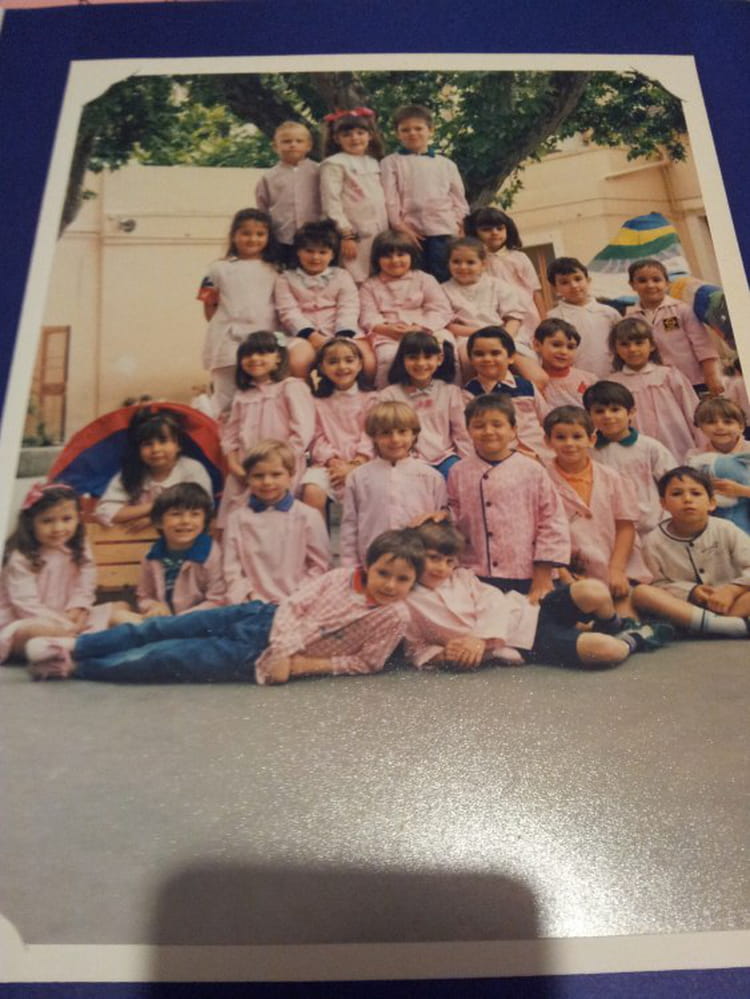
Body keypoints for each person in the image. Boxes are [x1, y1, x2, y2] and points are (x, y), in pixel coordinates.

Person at [25, 529, 425, 685]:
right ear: (368, 567)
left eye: (402, 579)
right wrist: (286, 647)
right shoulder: (341, 577)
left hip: (256, 656)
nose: (390, 585)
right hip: (259, 617)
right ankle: (77, 645)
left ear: (413, 582)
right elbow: (296, 604)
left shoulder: (394, 616)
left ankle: (76, 668)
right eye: (384, 573)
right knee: (163, 628)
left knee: (167, 658)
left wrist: (299, 665)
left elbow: (366, 662)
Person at [404, 520, 669, 671]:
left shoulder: (462, 578)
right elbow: (415, 647)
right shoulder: (406, 600)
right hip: (526, 641)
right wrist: (443, 655)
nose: (442, 568)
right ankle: (637, 637)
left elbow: (494, 602)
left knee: (593, 591)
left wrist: (478, 639)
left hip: (529, 610)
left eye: (449, 561)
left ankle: (618, 625)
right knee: (608, 651)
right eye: (434, 559)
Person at [447, 394, 569, 601]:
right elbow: (454, 518)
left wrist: (542, 573)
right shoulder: (458, 471)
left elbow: (552, 521)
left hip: (526, 571)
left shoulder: (532, 470)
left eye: (497, 424)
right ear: (468, 430)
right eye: (479, 425)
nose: (488, 431)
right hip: (477, 573)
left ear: (513, 430)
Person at [0, 484, 137, 663]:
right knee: (35, 631)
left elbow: (86, 580)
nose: (58, 528)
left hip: (69, 615)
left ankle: (72, 645)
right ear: (30, 522)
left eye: (66, 519)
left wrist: (79, 607)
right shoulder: (21, 556)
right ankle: (87, 645)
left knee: (121, 608)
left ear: (77, 519)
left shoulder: (77, 545)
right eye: (47, 521)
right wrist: (65, 625)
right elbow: (26, 605)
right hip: (28, 620)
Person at [543, 406, 650, 611]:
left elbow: (625, 526)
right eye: (560, 437)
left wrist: (617, 570)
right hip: (571, 572)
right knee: (595, 615)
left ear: (591, 439)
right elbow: (542, 535)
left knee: (628, 612)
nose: (570, 444)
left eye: (577, 436)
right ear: (548, 441)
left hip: (615, 566)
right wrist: (564, 575)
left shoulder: (612, 478)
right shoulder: (541, 479)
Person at [632, 467, 750, 637]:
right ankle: (728, 626)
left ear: (711, 503)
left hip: (732, 602)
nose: (687, 499)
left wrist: (731, 590)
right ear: (663, 504)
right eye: (677, 493)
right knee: (642, 593)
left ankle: (714, 626)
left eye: (696, 493)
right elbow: (658, 584)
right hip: (686, 608)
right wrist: (691, 592)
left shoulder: (726, 529)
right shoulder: (653, 541)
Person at [217, 331, 314, 527]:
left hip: (281, 468)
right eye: (248, 354)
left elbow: (302, 432)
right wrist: (235, 466)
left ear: (278, 357)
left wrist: (277, 465)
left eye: (262, 353)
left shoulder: (291, 387)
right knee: (234, 521)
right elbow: (231, 436)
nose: (254, 359)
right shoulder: (243, 395)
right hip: (244, 471)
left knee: (275, 520)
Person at [340, 401, 447, 567]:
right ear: (373, 436)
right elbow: (350, 524)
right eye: (386, 433)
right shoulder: (358, 477)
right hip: (373, 561)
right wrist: (350, 565)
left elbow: (441, 520)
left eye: (402, 432)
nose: (395, 439)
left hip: (419, 561)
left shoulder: (431, 476)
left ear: (414, 434)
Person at [223, 440, 330, 605]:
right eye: (258, 476)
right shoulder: (237, 519)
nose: (267, 482)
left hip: (297, 602)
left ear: (291, 475)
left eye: (276, 474)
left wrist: (297, 598)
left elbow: (319, 566)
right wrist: (248, 598)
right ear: (248, 477)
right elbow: (232, 569)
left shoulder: (308, 516)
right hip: (250, 605)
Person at [197, 208, 281, 416]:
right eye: (246, 233)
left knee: (261, 397)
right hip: (228, 342)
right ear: (234, 236)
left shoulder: (276, 269)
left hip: (265, 341)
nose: (253, 239)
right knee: (226, 399)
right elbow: (209, 305)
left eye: (260, 234)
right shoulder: (218, 269)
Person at [273, 219, 376, 379]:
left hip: (341, 332)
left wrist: (342, 337)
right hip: (302, 336)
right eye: (309, 251)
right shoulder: (285, 279)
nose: (315, 257)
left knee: (368, 363)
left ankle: (358, 398)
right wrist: (311, 335)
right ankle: (306, 399)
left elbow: (348, 307)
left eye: (322, 252)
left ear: (332, 254)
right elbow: (288, 312)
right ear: (298, 251)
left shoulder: (342, 276)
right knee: (298, 362)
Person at [441, 236, 545, 388]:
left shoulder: (497, 286)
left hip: (503, 336)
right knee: (468, 364)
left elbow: (514, 318)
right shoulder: (443, 290)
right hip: (468, 338)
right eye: (456, 262)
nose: (463, 267)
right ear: (448, 263)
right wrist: (481, 333)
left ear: (483, 264)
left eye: (470, 262)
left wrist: (504, 338)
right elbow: (449, 325)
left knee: (538, 378)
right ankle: (478, 399)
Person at [380, 104, 468, 283]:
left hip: (443, 230)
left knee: (445, 278)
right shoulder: (391, 163)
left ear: (431, 130)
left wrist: (458, 224)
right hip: (410, 233)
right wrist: (400, 226)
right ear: (397, 134)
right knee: (417, 280)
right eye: (405, 130)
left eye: (418, 128)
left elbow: (458, 198)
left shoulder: (446, 164)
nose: (412, 133)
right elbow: (390, 199)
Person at [359, 229, 454, 388]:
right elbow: (368, 315)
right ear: (377, 259)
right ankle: (387, 398)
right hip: (389, 334)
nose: (395, 260)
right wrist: (386, 328)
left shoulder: (424, 279)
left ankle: (447, 392)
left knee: (446, 348)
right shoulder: (370, 285)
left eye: (401, 254)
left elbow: (440, 308)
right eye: (387, 256)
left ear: (411, 255)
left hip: (426, 330)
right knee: (388, 357)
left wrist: (421, 327)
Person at [582, 380, 677, 537]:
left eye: (615, 410)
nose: (608, 416)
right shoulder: (588, 451)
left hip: (653, 528)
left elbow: (672, 483)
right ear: (588, 415)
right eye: (599, 411)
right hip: (609, 529)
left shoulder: (650, 447)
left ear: (631, 412)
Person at [96, 407, 213, 531]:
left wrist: (154, 519)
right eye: (147, 444)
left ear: (178, 444)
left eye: (163, 441)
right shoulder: (130, 473)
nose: (156, 449)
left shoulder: (191, 469)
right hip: (134, 543)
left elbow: (202, 508)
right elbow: (106, 512)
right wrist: (154, 506)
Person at [378, 331, 472, 478]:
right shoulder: (389, 395)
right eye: (413, 357)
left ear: (439, 359)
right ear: (403, 360)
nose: (421, 363)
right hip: (407, 459)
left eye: (428, 357)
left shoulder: (450, 392)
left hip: (445, 457)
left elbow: (461, 433)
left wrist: (468, 463)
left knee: (458, 479)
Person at [607, 316, 701, 461]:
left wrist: (703, 447)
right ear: (615, 348)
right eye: (624, 344)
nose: (632, 349)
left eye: (639, 343)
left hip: (675, 444)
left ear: (652, 345)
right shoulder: (612, 383)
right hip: (635, 449)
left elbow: (693, 413)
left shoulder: (669, 375)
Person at [626, 258, 722, 395]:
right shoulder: (630, 318)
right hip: (657, 384)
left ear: (667, 283)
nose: (650, 285)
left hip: (693, 380)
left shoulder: (682, 310)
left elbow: (703, 345)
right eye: (642, 280)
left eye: (656, 279)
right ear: (632, 285)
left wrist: (712, 376)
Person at [301, 337, 374, 516]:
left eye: (349, 360)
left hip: (365, 462)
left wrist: (357, 463)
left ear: (360, 364)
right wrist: (333, 462)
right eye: (333, 362)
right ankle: (317, 542)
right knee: (312, 489)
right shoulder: (317, 402)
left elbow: (373, 433)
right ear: (322, 368)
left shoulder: (372, 399)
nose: (342, 367)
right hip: (329, 464)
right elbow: (317, 437)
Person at [319, 108, 388, 286]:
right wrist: (345, 235)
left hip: (379, 231)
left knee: (378, 276)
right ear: (337, 138)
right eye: (347, 134)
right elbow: (331, 202)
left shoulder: (374, 162)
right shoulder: (334, 163)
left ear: (370, 135)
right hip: (354, 233)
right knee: (356, 277)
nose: (355, 138)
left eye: (360, 133)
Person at [136, 483, 226, 618]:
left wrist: (180, 619)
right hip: (163, 621)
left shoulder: (211, 554)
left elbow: (217, 600)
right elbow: (144, 596)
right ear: (159, 521)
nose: (185, 521)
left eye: (195, 514)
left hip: (199, 621)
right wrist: (154, 606)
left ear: (204, 521)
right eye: (176, 514)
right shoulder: (151, 556)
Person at [463, 326, 549, 457]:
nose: (487, 358)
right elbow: (468, 434)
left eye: (495, 353)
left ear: (510, 357)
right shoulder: (470, 393)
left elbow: (547, 420)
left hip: (541, 452)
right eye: (479, 354)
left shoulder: (527, 386)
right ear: (471, 360)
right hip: (500, 457)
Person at [464, 206, 544, 345]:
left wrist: (544, 321)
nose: (494, 233)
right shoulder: (476, 261)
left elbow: (535, 291)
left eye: (500, 228)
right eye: (486, 229)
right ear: (475, 232)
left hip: (526, 312)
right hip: (495, 312)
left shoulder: (519, 257)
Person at [254, 121, 322, 269]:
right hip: (283, 238)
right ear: (275, 146)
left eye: (299, 141)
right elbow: (263, 208)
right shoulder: (270, 177)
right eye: (286, 141)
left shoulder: (319, 171)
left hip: (316, 238)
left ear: (308, 145)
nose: (293, 145)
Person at [545, 256, 620, 377]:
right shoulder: (553, 317)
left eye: (578, 279)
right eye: (564, 282)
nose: (574, 285)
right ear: (555, 288)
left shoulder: (609, 313)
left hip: (613, 376)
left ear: (588, 280)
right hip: (576, 381)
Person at [686, 396, 750, 534]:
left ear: (741, 426)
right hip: (715, 519)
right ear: (701, 427)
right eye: (711, 422)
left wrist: (742, 491)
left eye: (728, 422)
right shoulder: (696, 457)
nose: (720, 427)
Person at [533, 317, 597, 409]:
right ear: (537, 345)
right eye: (556, 345)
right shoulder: (534, 382)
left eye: (570, 347)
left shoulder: (589, 380)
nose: (564, 352)